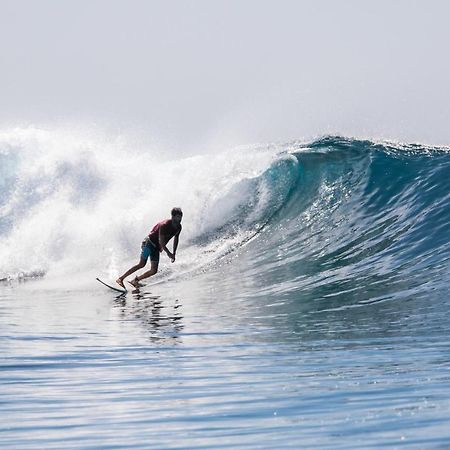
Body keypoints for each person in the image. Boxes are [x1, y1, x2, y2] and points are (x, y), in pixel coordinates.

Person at [116, 207, 183, 289]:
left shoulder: (178, 227)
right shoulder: (164, 225)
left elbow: (176, 239)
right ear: (173, 216)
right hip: (149, 243)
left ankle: (135, 281)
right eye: (178, 217)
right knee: (142, 264)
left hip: (156, 248)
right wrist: (169, 253)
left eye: (181, 217)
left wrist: (174, 253)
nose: (180, 219)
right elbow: (161, 241)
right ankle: (120, 279)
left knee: (154, 270)